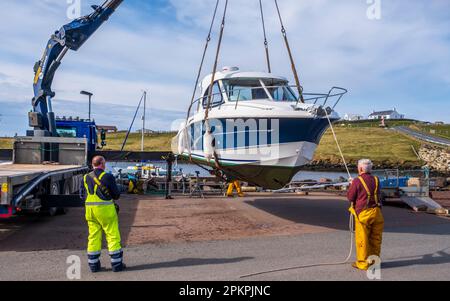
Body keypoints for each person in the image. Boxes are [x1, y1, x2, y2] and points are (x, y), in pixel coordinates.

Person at [80, 156, 125, 273]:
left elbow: (82, 195)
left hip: (90, 211)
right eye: (104, 163)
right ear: (102, 164)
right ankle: (116, 264)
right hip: (105, 211)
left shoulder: (85, 177)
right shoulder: (107, 177)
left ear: (92, 164)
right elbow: (116, 195)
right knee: (112, 235)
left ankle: (94, 266)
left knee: (93, 237)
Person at [347, 159, 384, 271]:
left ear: (360, 168)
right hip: (377, 212)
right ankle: (374, 262)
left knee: (362, 239)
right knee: (376, 238)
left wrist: (351, 184)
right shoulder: (376, 179)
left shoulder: (357, 181)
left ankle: (363, 263)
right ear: (370, 169)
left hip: (364, 214)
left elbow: (350, 197)